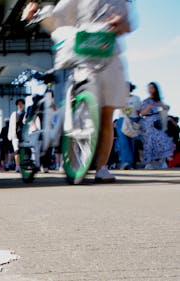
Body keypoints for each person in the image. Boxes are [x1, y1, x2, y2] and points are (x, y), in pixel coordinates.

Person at [23, 0, 136, 182]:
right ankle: (75, 165)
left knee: (107, 113)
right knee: (81, 111)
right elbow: (58, 17)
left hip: (109, 55)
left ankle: (101, 168)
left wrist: (120, 23)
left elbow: (128, 25)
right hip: (85, 55)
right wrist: (36, 14)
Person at [139, 82, 173, 169]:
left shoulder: (158, 100)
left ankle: (163, 161)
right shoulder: (146, 101)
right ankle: (149, 163)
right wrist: (148, 107)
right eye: (149, 88)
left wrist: (161, 105)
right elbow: (142, 113)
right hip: (147, 123)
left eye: (152, 88)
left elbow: (166, 108)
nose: (150, 90)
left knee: (162, 140)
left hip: (157, 122)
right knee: (149, 142)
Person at [115, 82, 142, 169]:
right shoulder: (120, 98)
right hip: (122, 120)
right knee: (123, 142)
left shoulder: (136, 98)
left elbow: (139, 111)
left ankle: (131, 163)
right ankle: (125, 163)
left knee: (132, 143)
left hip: (133, 120)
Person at [8, 98, 26, 172]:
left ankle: (22, 166)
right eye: (18, 104)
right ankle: (17, 166)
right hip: (16, 135)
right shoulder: (14, 114)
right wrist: (10, 136)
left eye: (21, 104)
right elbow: (11, 125)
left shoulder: (26, 113)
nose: (20, 105)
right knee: (17, 151)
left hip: (24, 135)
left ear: (24, 105)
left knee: (24, 151)